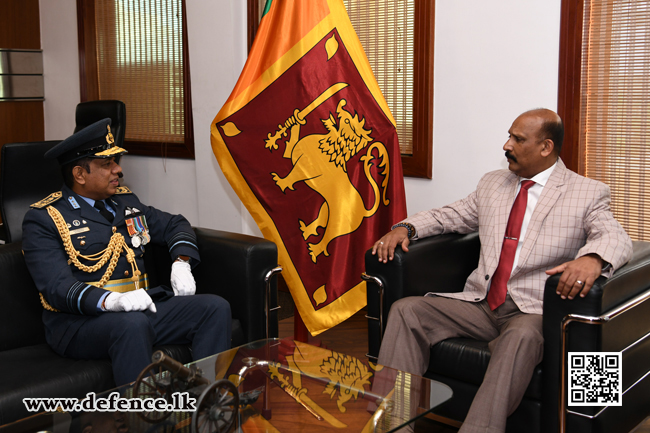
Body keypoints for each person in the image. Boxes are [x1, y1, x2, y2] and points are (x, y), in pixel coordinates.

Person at [371, 109, 632, 433]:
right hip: (481, 302)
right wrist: (406, 228)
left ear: (546, 147)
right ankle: (391, 426)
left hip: (532, 311)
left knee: (520, 338)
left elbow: (615, 236)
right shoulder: (493, 183)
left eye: (517, 139)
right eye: (509, 135)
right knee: (406, 310)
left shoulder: (586, 192)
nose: (506, 145)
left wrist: (592, 258)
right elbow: (450, 215)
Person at [22, 118, 231, 386]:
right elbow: (56, 287)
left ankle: (207, 402)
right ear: (79, 174)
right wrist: (110, 301)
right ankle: (144, 422)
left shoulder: (125, 202)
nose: (118, 170)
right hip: (79, 324)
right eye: (107, 164)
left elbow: (174, 223)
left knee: (214, 308)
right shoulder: (45, 217)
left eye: (116, 162)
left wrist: (181, 262)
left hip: (139, 311)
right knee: (131, 325)